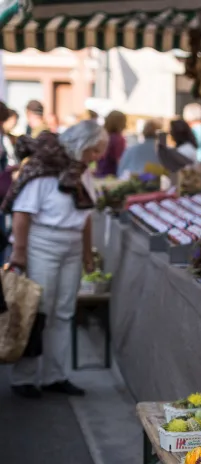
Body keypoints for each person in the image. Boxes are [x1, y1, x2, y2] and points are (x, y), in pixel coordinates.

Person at [4, 121, 108, 398]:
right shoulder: (45, 171)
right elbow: (22, 214)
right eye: (96, 150)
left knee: (64, 312)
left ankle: (54, 375)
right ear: (83, 146)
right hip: (43, 244)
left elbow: (85, 217)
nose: (98, 156)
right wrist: (20, 254)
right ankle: (24, 378)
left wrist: (87, 254)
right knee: (37, 311)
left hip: (71, 247)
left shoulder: (81, 173)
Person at [95, 110, 127, 177]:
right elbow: (119, 160)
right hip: (112, 176)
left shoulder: (102, 136)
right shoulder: (119, 139)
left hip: (100, 174)